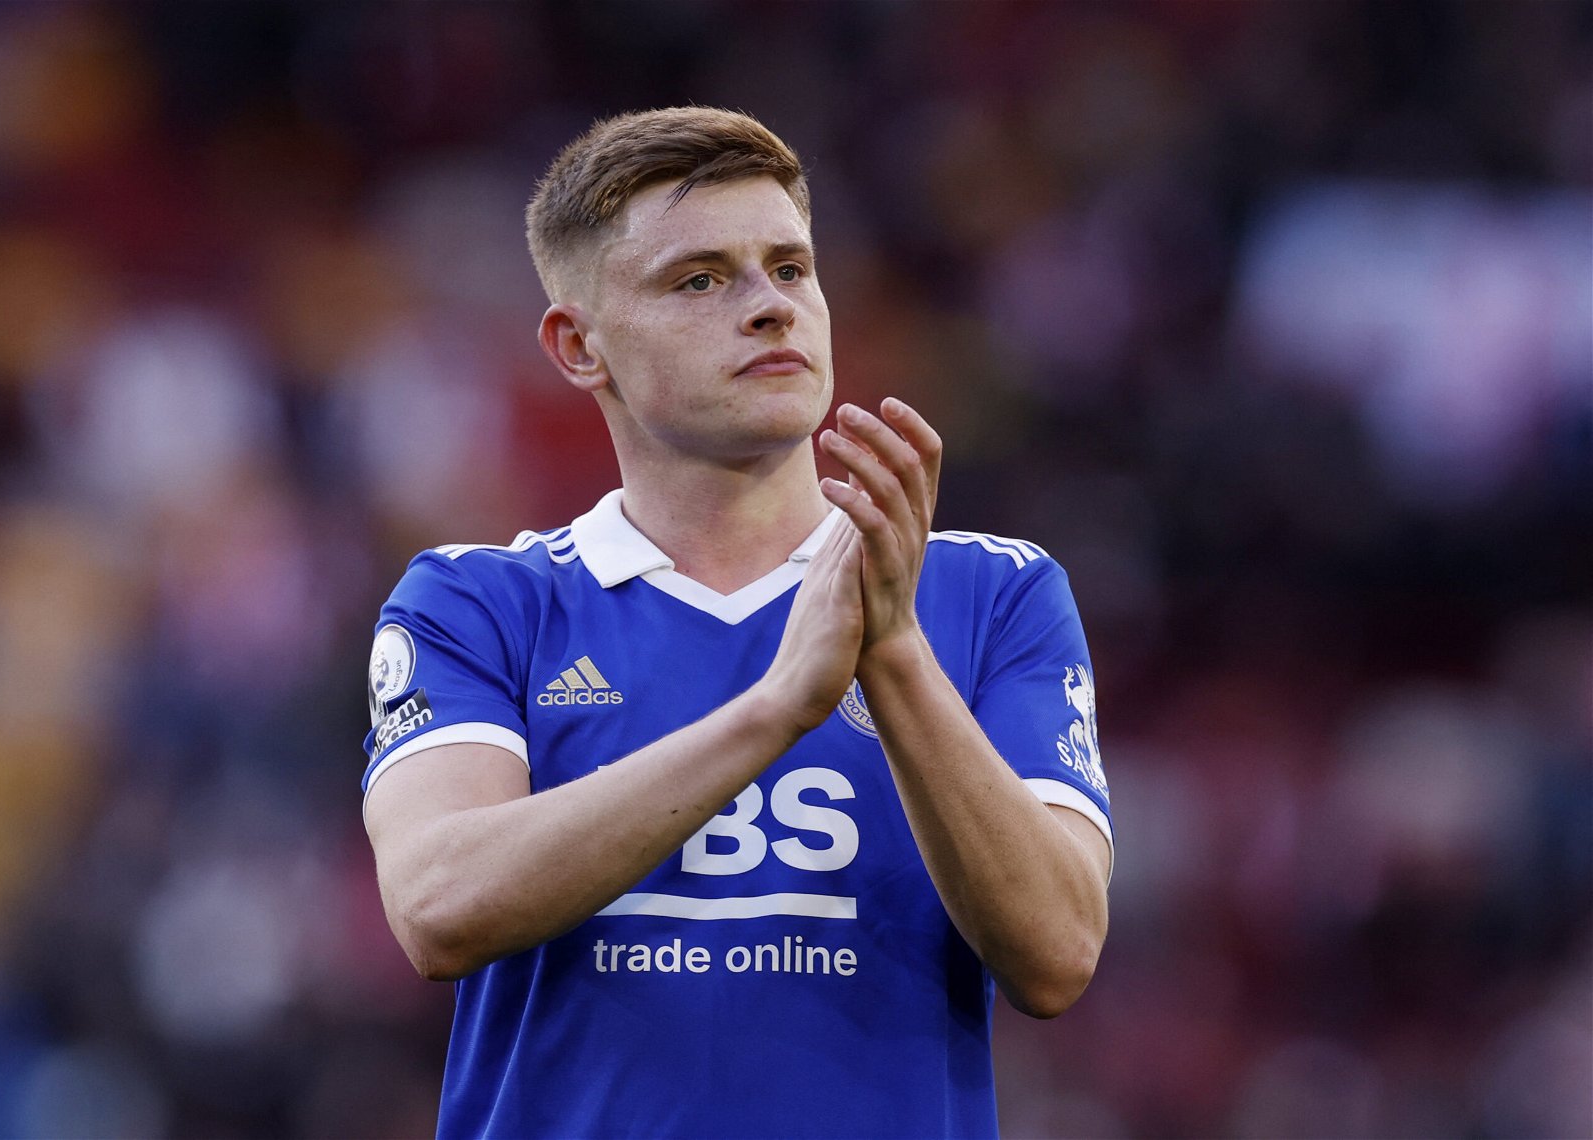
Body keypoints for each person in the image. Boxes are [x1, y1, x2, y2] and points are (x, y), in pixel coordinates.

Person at [360, 106, 1112, 1140]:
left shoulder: (994, 594)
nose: (769, 308)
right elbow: (439, 906)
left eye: (790, 269)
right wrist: (772, 712)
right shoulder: (479, 601)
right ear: (579, 345)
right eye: (700, 279)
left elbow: (1058, 953)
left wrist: (890, 650)